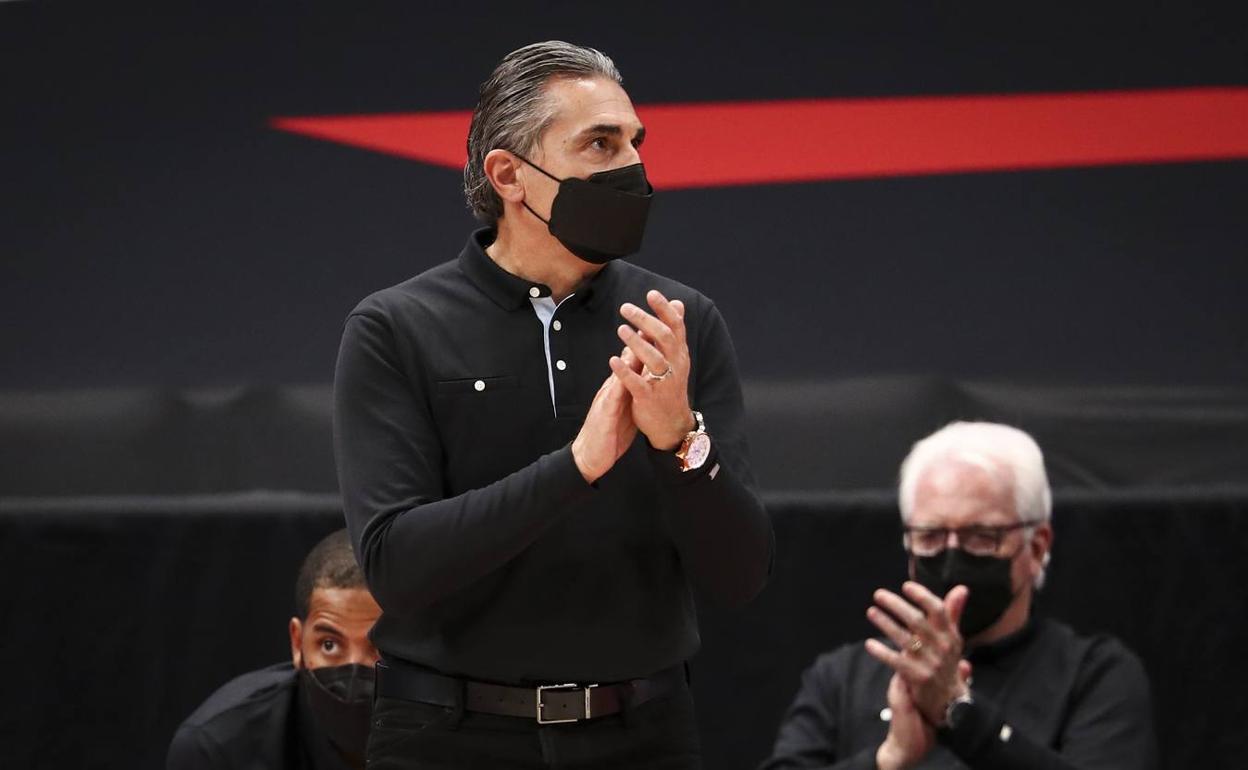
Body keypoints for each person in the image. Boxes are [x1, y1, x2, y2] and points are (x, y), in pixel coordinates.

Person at [332, 40, 772, 769]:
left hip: (644, 735)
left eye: (634, 141)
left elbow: (740, 575)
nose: (631, 167)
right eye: (599, 144)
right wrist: (577, 467)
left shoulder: (677, 322)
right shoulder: (395, 328)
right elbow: (397, 567)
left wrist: (681, 445)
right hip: (448, 735)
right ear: (509, 175)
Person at [761, 422, 1158, 769]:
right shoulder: (843, 679)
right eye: (931, 537)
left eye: (981, 537)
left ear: (1036, 548)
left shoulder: (1093, 677)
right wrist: (886, 760)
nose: (952, 558)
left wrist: (961, 715)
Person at [167, 529, 381, 770]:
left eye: (381, 648)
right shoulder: (220, 748)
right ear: (297, 642)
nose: (353, 670)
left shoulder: (432, 735)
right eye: (329, 645)